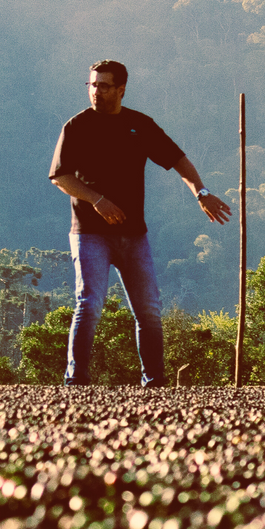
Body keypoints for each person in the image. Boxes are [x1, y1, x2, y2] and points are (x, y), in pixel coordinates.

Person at [49, 59, 230, 386]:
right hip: (90, 234)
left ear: (121, 90)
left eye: (104, 86)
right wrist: (98, 200)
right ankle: (76, 380)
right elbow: (60, 177)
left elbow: (178, 159)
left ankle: (154, 382)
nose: (96, 92)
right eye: (92, 85)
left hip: (133, 235)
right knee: (89, 303)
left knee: (149, 310)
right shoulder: (76, 127)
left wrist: (201, 192)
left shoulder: (139, 125)